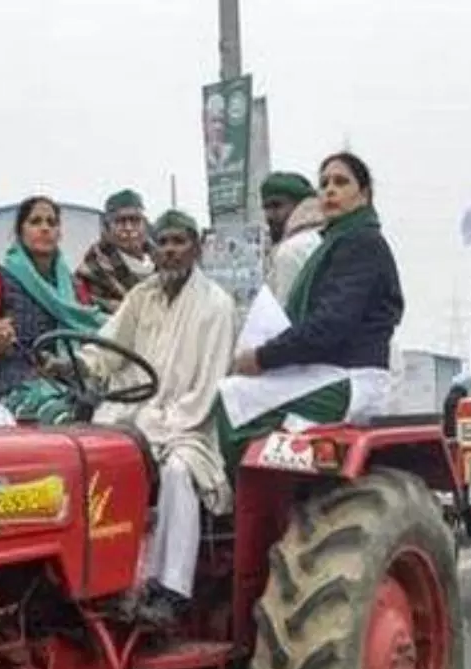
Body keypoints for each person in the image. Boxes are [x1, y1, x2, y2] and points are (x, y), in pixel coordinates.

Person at [74, 209, 236, 625]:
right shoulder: (141, 296)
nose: (170, 251)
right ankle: (101, 579)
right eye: (162, 243)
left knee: (178, 471)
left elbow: (207, 390)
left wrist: (156, 428)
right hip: (134, 416)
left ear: (196, 248)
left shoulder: (216, 305)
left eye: (179, 242)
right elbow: (109, 346)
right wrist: (80, 365)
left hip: (189, 426)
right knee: (89, 461)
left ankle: (170, 589)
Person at [218, 152, 403, 468]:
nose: (330, 190)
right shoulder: (335, 241)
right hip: (326, 372)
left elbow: (329, 326)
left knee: (231, 400)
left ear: (364, 194)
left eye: (341, 182)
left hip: (351, 378)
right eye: (324, 183)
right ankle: (272, 485)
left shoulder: (361, 243)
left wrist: (262, 357)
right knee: (240, 398)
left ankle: (252, 494)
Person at [0, 195, 107, 424]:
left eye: (51, 222)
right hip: (6, 392)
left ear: (59, 233)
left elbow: (91, 338)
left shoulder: (75, 289)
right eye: (35, 221)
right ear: (20, 231)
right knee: (60, 419)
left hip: (67, 389)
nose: (45, 228)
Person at [75, 189, 154, 313]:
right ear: (107, 229)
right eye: (120, 221)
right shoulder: (94, 270)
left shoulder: (164, 263)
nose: (128, 228)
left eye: (134, 220)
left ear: (145, 225)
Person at [260, 171, 325, 303]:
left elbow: (284, 310)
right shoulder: (324, 237)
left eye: (276, 205)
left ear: (300, 205)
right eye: (266, 208)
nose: (269, 216)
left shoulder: (291, 249)